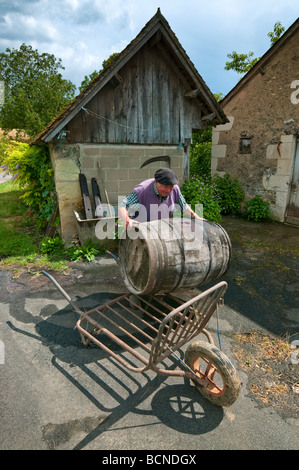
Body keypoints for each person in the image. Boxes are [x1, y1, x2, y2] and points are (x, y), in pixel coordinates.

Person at [118, 168, 205, 230]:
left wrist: (195, 217)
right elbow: (123, 205)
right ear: (156, 182)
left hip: (164, 230)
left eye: (171, 187)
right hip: (142, 233)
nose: (169, 190)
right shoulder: (142, 190)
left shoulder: (175, 189)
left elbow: (183, 206)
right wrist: (127, 220)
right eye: (166, 186)